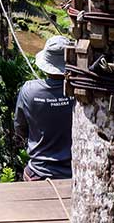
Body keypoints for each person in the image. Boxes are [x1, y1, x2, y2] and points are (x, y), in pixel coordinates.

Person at [14, 35, 74, 181]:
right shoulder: (80, 93)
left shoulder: (29, 90)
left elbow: (20, 128)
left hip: (39, 172)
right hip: (74, 170)